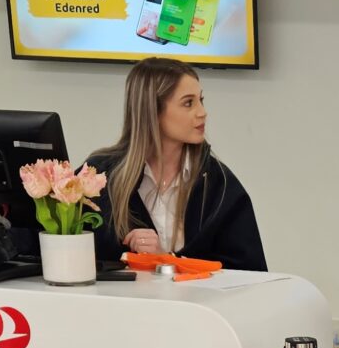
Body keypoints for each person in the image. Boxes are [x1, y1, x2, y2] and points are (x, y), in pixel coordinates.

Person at [87, 56, 267, 270]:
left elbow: (250, 272)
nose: (202, 112)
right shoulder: (99, 178)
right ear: (153, 111)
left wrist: (165, 260)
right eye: (188, 103)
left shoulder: (218, 183)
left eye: (201, 100)